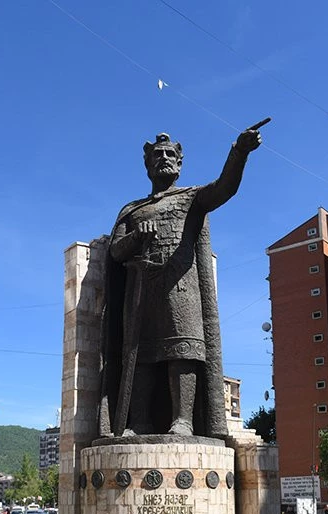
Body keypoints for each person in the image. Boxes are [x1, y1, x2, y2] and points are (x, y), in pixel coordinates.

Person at [99, 123, 265, 439]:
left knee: (182, 351)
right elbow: (116, 251)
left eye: (169, 154)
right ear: (147, 164)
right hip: (142, 289)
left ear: (179, 162)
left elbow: (225, 188)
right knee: (140, 356)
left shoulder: (192, 198)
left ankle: (183, 420)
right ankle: (140, 422)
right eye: (157, 155)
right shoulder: (132, 210)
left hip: (181, 287)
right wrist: (136, 238)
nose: (163, 158)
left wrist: (240, 152)